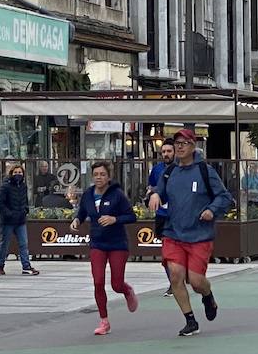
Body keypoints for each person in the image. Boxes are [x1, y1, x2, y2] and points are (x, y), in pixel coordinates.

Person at [148, 127, 233, 337]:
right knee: (175, 276)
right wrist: (155, 195)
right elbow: (160, 191)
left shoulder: (205, 171)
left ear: (193, 146)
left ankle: (208, 296)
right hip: (173, 233)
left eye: (184, 143)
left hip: (199, 235)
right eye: (177, 143)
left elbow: (225, 197)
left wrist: (211, 210)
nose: (179, 147)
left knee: (196, 282)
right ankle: (190, 320)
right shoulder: (169, 171)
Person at [71, 160, 138, 335]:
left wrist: (115, 219)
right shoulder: (88, 194)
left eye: (102, 174)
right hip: (97, 244)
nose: (99, 178)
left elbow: (131, 216)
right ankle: (104, 321)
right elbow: (82, 212)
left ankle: (127, 290)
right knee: (98, 281)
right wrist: (77, 220)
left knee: (116, 284)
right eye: (96, 175)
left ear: (109, 177)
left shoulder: (117, 195)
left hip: (117, 244)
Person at [0, 163, 39, 276]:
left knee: (24, 243)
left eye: (20, 172)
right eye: (15, 172)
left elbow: (25, 200)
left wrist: (25, 210)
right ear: (11, 174)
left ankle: (26, 266)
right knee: (5, 243)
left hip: (20, 220)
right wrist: (8, 214)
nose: (18, 174)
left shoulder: (23, 186)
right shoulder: (5, 186)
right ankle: (0, 265)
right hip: (8, 221)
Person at [147, 141, 175, 296]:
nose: (166, 154)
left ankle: (177, 280)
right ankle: (173, 283)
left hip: (177, 216)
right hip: (162, 216)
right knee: (166, 253)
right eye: (163, 151)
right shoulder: (157, 169)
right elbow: (151, 186)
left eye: (169, 151)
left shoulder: (180, 169)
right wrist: (151, 193)